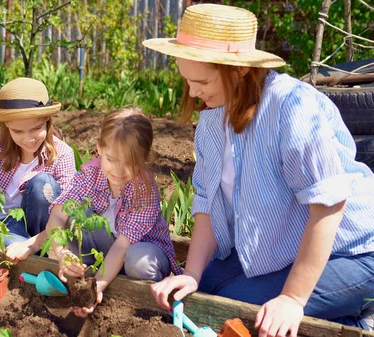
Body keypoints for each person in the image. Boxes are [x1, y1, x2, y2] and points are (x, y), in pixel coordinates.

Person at [143, 4, 374, 337]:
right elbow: (207, 201)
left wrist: (293, 299)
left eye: (201, 81)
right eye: (186, 80)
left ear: (237, 71)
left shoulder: (292, 107)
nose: (192, 92)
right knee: (204, 294)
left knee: (236, 312)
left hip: (354, 250)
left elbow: (329, 204)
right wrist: (192, 274)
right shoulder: (212, 119)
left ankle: (359, 321)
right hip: (289, 245)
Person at [9, 106, 184, 317]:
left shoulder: (144, 190)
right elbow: (57, 215)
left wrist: (97, 287)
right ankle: (83, 272)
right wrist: (62, 253)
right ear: (100, 148)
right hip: (105, 250)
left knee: (139, 261)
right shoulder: (91, 174)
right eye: (111, 159)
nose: (118, 171)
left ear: (144, 157)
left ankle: (141, 302)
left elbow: (121, 246)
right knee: (72, 217)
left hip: (138, 252)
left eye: (129, 163)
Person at [0, 77, 76, 252]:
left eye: (36, 129)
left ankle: (35, 249)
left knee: (43, 183)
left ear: (47, 119)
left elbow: (64, 212)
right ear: (6, 125)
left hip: (41, 229)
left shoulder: (62, 154)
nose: (28, 139)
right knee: (12, 244)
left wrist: (33, 243)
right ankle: (30, 254)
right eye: (18, 131)